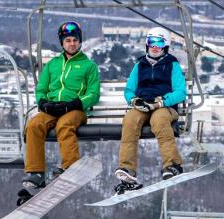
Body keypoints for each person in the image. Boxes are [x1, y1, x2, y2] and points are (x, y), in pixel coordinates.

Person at [19, 21, 101, 204]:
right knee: (33, 125)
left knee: (64, 126)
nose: (72, 44)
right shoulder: (53, 65)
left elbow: (94, 94)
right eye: (68, 41)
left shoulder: (88, 66)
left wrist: (75, 103)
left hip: (75, 110)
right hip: (53, 108)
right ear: (62, 43)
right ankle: (35, 173)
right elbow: (41, 88)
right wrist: (43, 103)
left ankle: (70, 166)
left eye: (75, 40)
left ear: (80, 42)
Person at [113, 27, 187, 193]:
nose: (154, 46)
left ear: (165, 46)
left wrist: (162, 102)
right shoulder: (140, 65)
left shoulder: (172, 65)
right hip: (143, 104)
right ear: (146, 44)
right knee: (130, 120)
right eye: (151, 42)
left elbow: (180, 91)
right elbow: (129, 90)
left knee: (159, 121)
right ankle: (127, 170)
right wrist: (134, 101)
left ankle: (172, 164)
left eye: (159, 43)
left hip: (165, 106)